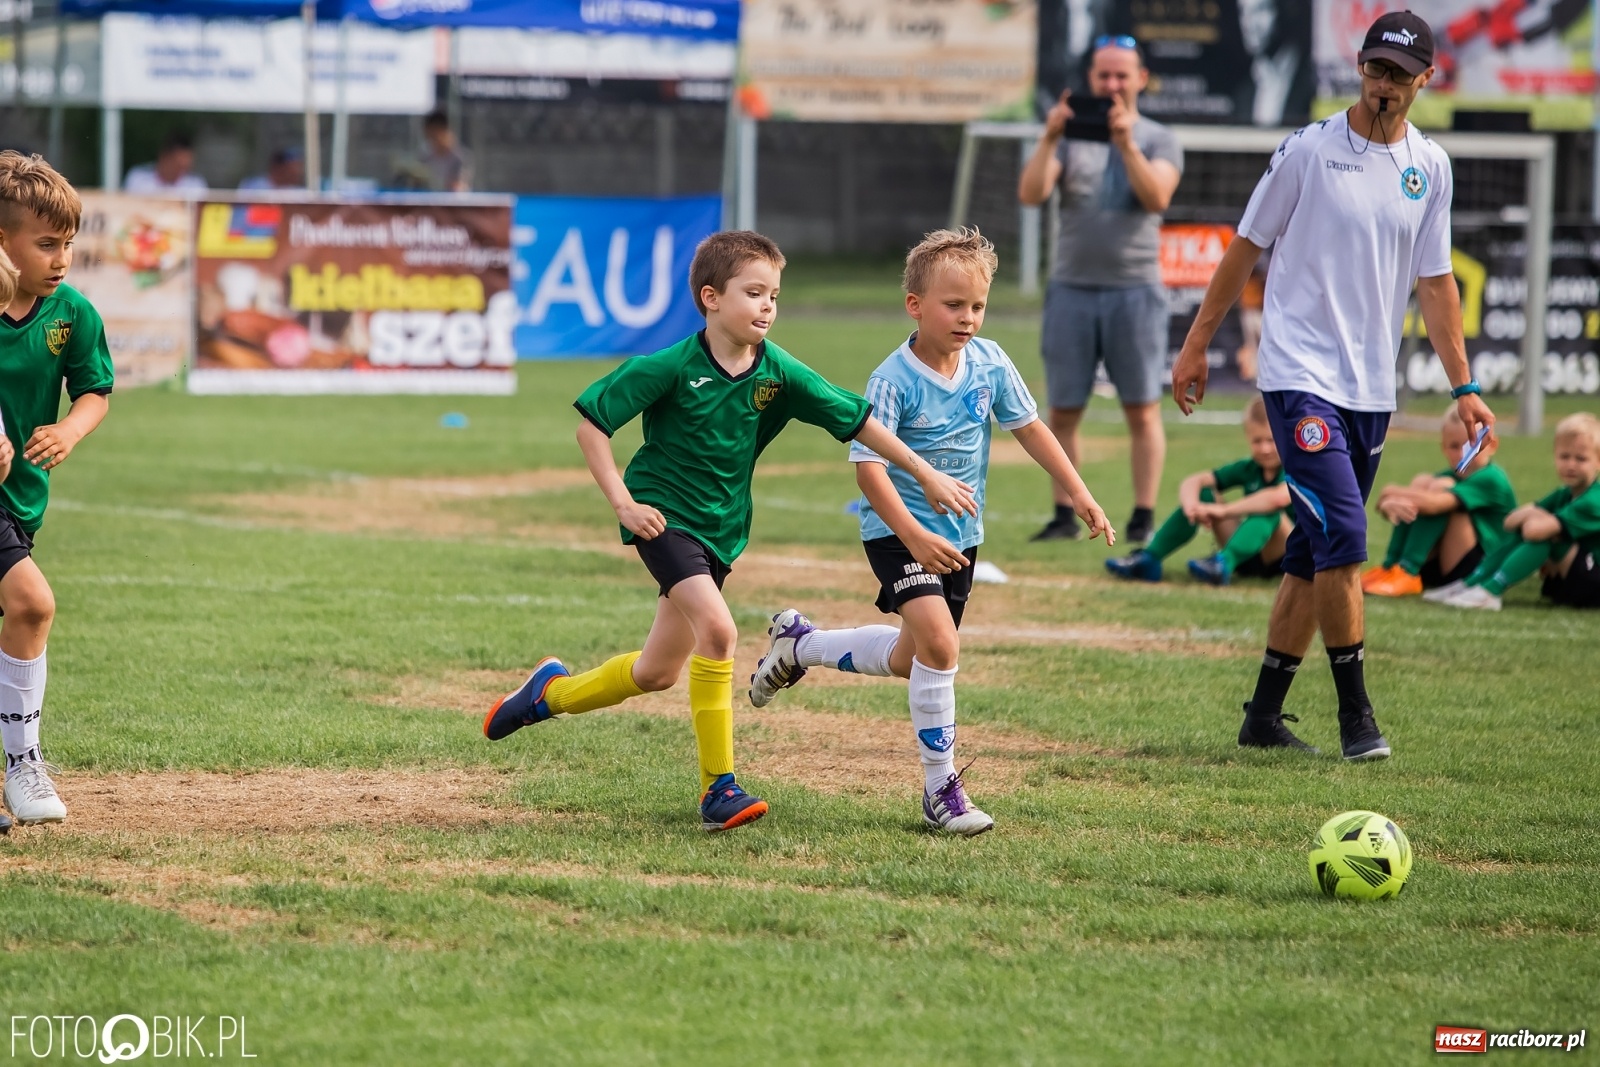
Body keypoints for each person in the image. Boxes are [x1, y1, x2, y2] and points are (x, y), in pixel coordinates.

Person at [481, 230, 978, 833]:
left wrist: (922, 472)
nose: (767, 305)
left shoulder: (778, 372)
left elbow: (860, 422)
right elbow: (592, 423)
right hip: (662, 518)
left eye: (774, 294)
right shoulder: (672, 365)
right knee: (719, 631)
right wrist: (624, 505)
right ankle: (719, 788)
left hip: (722, 531)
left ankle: (548, 695)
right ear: (711, 298)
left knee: (656, 672)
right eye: (753, 293)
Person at [1170, 11, 1496, 760]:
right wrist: (1195, 345)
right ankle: (1358, 720)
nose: (1384, 86)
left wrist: (1464, 385)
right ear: (1358, 68)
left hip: (1371, 390)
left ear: (1426, 80)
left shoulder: (1431, 167)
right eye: (1374, 70)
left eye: (1398, 75)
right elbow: (1244, 248)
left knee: (1312, 555)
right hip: (1298, 376)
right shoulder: (1309, 150)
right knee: (1346, 538)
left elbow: (1437, 283)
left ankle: (1263, 716)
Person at [745, 228, 1114, 837]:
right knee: (941, 647)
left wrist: (1078, 492)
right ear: (915, 305)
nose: (967, 318)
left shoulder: (991, 363)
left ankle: (801, 645)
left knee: (909, 657)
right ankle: (941, 792)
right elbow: (869, 472)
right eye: (953, 305)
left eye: (977, 306)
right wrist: (913, 534)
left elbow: (1031, 429)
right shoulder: (892, 378)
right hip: (897, 532)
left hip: (960, 537)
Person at [1018, 35, 1183, 546]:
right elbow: (1031, 194)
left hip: (1135, 289)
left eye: (1122, 75)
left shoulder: (1158, 138)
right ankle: (1064, 513)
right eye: (1103, 75)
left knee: (1141, 408)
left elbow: (1156, 196)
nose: (1112, 84)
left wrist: (1125, 142)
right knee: (1063, 410)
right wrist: (1048, 138)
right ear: (1091, 79)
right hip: (1071, 288)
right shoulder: (1068, 138)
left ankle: (1142, 514)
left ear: (1141, 79)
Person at [0, 151, 115, 824]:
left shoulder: (71, 312)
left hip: (20, 500)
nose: (62, 257)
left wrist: (68, 431)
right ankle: (24, 766)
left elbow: (95, 391)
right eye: (46, 243)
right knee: (32, 603)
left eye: (69, 242)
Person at [1106, 394, 1291, 585]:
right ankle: (1150, 559)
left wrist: (1223, 510)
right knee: (1204, 494)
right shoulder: (1248, 468)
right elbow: (1193, 481)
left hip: (1285, 559)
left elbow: (1279, 498)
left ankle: (1223, 563)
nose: (1265, 448)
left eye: (1271, 440)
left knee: (1269, 509)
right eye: (1257, 441)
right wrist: (1191, 507)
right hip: (1248, 557)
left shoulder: (1296, 468)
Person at [1429, 412, 1600, 610]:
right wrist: (1538, 518)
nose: (1571, 465)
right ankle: (1470, 583)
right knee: (1539, 528)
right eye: (1564, 456)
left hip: (1594, 581)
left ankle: (1491, 591)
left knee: (1547, 536)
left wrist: (1538, 518)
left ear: (1597, 461)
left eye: (1581, 459)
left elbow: (1533, 531)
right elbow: (1510, 521)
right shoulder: (1564, 493)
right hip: (1573, 576)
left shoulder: (1593, 500)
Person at [1364, 406, 1516, 597]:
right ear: (1443, 447)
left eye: (1471, 445)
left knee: (1438, 489)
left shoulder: (1492, 478)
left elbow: (1434, 504)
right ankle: (1391, 567)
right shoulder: (1447, 476)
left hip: (1480, 568)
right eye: (1454, 446)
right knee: (1423, 482)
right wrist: (1388, 505)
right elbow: (1413, 503)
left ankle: (1408, 570)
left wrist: (1389, 492)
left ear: (1491, 444)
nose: (1462, 454)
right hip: (1442, 564)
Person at [123, 132, 208, 195]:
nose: (180, 171)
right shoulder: (138, 179)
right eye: (177, 165)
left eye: (185, 167)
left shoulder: (195, 185)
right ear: (164, 157)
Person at [421, 111, 471, 193]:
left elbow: (459, 188)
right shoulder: (425, 155)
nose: (433, 140)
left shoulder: (461, 157)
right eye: (430, 136)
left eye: (435, 134)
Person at [238, 147, 305, 192]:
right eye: (293, 167)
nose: (298, 172)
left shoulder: (299, 193)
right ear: (279, 167)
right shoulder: (253, 186)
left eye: (299, 167)